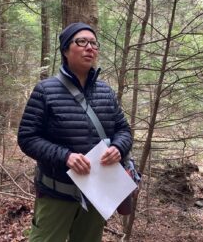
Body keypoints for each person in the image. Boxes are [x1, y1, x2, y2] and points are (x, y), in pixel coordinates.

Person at [18, 22, 133, 242]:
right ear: (65, 50)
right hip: (56, 193)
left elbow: (123, 129)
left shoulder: (105, 92)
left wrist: (118, 147)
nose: (90, 47)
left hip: (97, 194)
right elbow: (27, 137)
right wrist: (66, 156)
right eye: (81, 42)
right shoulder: (45, 90)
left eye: (94, 43)